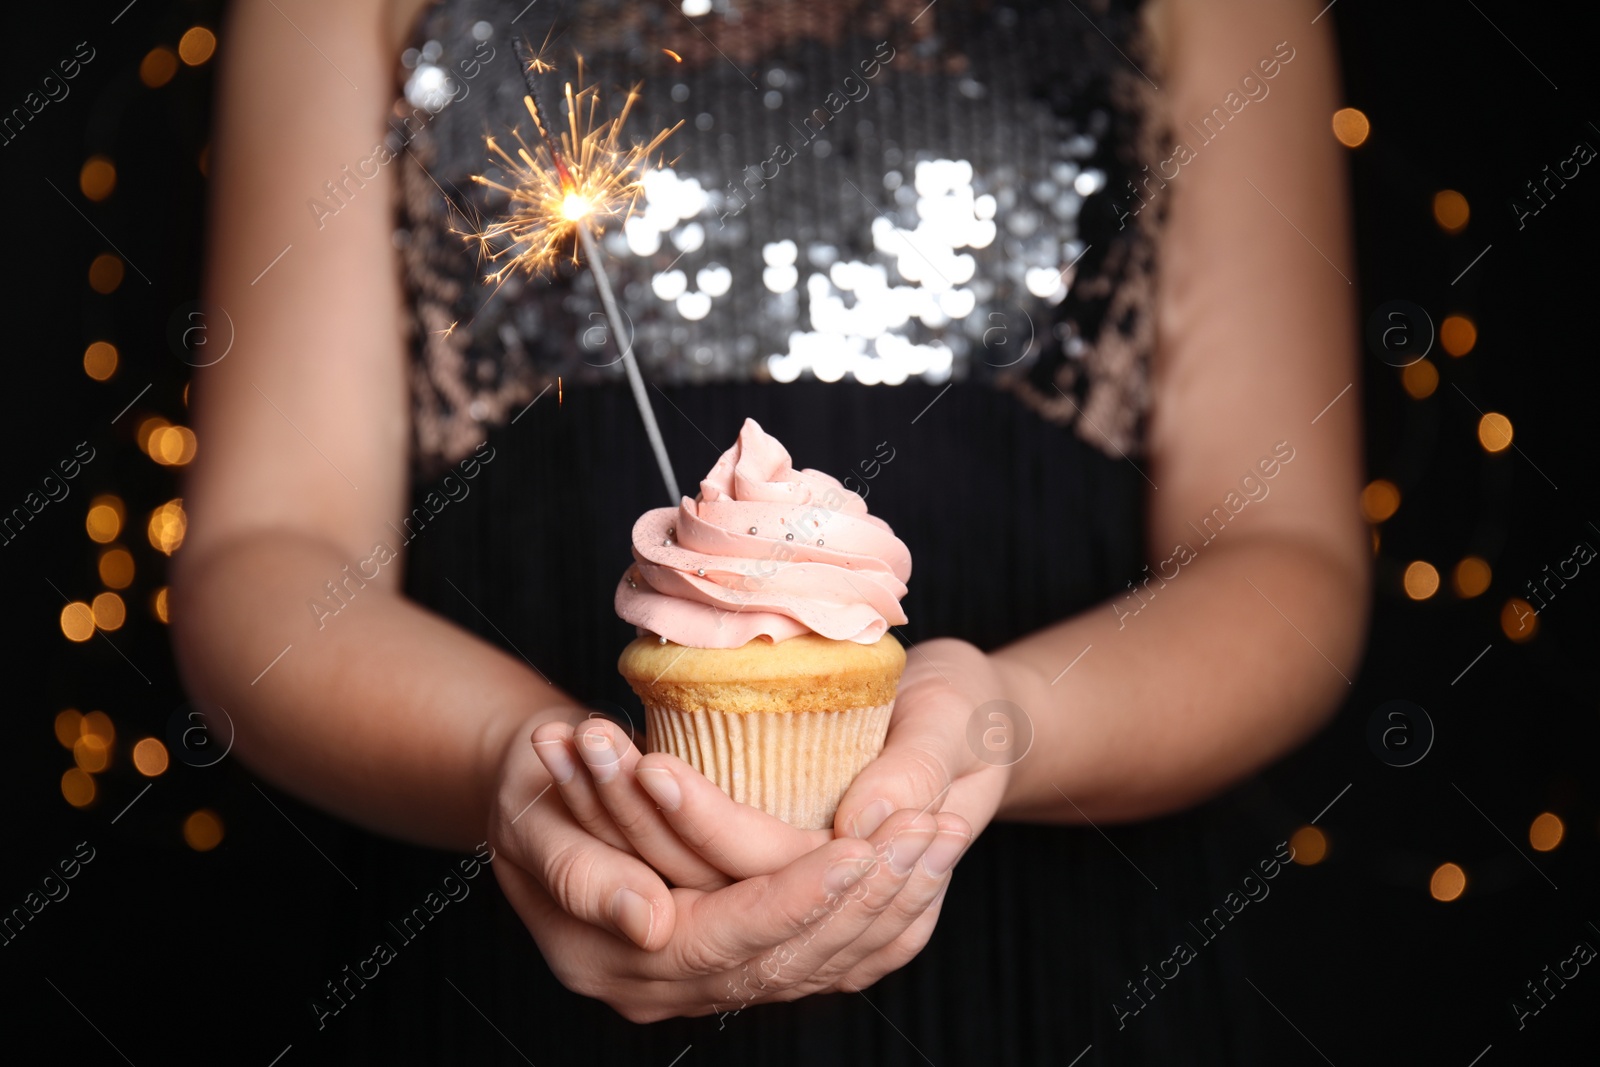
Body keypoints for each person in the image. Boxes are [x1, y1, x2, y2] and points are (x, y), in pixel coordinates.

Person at [172, 0, 1367, 1060]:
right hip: (491, 962)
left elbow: (1284, 562)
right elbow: (267, 553)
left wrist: (999, 727)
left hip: (1069, 964)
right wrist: (518, 763)